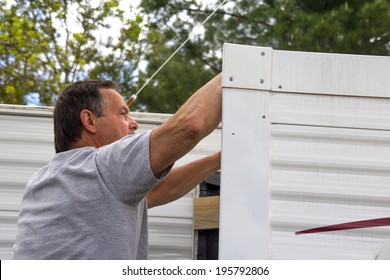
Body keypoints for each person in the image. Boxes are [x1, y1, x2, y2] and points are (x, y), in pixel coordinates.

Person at [12, 74, 222, 259]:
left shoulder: (48, 179)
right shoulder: (98, 166)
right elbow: (190, 126)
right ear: (90, 121)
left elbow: (158, 190)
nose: (134, 124)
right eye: (123, 113)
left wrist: (220, 159)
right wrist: (237, 68)